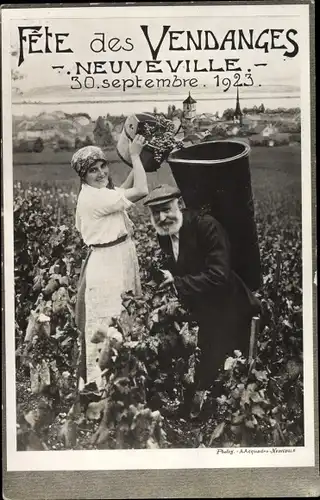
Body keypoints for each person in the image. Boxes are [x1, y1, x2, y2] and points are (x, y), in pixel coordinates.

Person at [144, 184, 261, 418]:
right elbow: (182, 265)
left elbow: (219, 276)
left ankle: (208, 403)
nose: (162, 217)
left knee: (217, 364)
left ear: (179, 204)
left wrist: (177, 282)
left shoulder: (206, 226)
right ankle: (187, 394)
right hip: (201, 304)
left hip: (230, 306)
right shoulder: (165, 233)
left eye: (166, 209)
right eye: (155, 212)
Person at [72, 136, 148, 392]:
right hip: (108, 264)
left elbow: (120, 191)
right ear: (83, 176)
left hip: (116, 257)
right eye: (93, 170)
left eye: (103, 166)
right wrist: (136, 157)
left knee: (119, 314)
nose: (101, 173)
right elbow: (141, 191)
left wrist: (137, 167)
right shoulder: (94, 199)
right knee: (107, 319)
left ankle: (117, 379)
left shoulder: (98, 193)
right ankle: (102, 383)